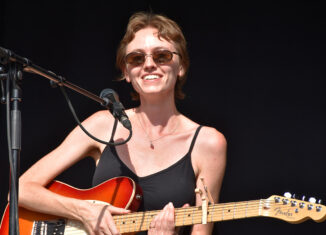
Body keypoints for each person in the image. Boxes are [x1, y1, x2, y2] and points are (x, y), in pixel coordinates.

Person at [18, 11, 227, 235]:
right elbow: (21, 189)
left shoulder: (209, 143)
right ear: (127, 72)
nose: (149, 65)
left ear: (182, 66)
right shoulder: (103, 126)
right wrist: (82, 211)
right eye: (136, 58)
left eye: (162, 56)